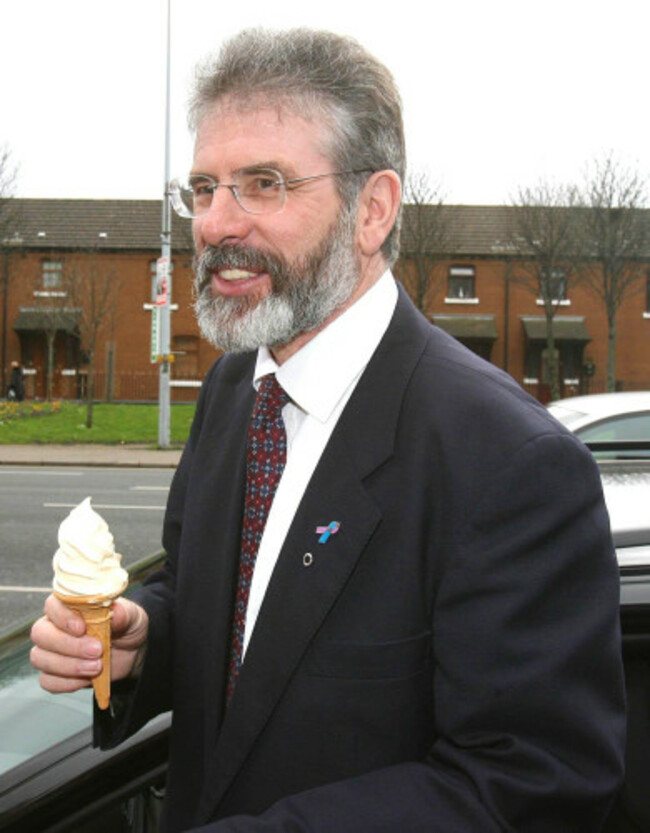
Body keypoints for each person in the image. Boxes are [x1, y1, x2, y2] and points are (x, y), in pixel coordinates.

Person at [30, 28, 626, 832]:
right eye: (204, 187)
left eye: (263, 184)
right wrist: (144, 640)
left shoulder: (510, 461)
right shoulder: (233, 389)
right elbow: (221, 606)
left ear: (372, 209)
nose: (216, 224)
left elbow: (534, 782)